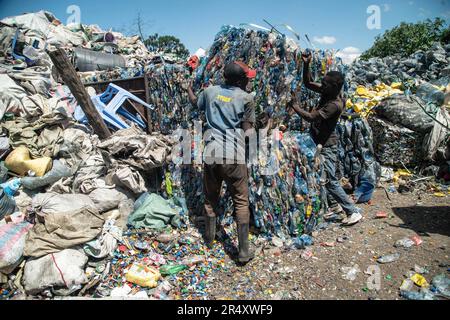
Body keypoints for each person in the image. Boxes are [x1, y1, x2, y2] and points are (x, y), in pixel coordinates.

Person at [186, 61, 256, 264]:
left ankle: (209, 238)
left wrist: (188, 88)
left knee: (211, 198)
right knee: (241, 201)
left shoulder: (209, 92)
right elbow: (248, 132)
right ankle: (243, 252)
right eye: (247, 78)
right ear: (239, 80)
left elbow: (194, 103)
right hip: (233, 156)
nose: (248, 82)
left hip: (211, 153)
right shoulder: (246, 98)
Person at [288, 52, 362, 226]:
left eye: (325, 84)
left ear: (334, 87)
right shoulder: (328, 92)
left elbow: (312, 117)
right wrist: (306, 64)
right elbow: (307, 83)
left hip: (327, 145)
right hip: (319, 142)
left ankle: (352, 211)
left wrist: (295, 106)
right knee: (323, 175)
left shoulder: (334, 105)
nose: (322, 85)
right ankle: (335, 206)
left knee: (328, 179)